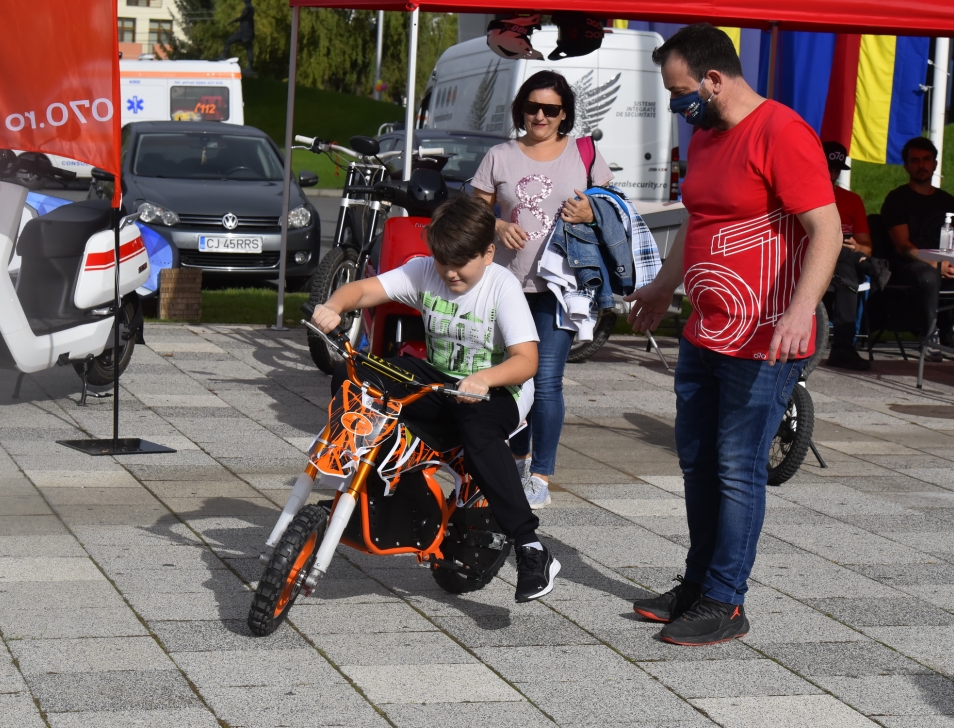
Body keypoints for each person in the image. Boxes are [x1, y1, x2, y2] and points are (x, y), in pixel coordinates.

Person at [625, 24, 842, 646]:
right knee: (697, 461)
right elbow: (699, 218)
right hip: (706, 330)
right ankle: (695, 585)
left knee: (737, 466)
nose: (678, 104)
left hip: (764, 337)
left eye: (682, 91)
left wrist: (802, 310)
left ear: (714, 80)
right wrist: (667, 284)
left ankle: (727, 601)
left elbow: (824, 231)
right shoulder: (707, 135)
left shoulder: (781, 133)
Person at [312, 194, 562, 603]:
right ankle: (364, 471)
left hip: (500, 387)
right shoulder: (426, 270)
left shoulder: (503, 287)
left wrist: (483, 378)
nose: (449, 273)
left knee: (476, 426)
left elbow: (527, 361)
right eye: (442, 261)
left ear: (487, 253)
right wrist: (334, 305)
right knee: (353, 370)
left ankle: (531, 547)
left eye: (460, 264)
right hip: (442, 381)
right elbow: (361, 290)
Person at [471, 70, 614, 510]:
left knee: (547, 380)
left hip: (561, 286)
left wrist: (590, 208)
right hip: (507, 284)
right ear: (521, 109)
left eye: (550, 109)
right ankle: (516, 455)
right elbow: (475, 212)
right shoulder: (500, 155)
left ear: (564, 113)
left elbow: (611, 209)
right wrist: (497, 223)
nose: (540, 115)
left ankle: (539, 474)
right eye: (532, 107)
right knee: (513, 378)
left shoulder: (584, 155)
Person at [880, 137, 954, 352]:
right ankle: (928, 334)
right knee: (928, 276)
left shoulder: (948, 201)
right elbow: (903, 247)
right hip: (909, 266)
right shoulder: (897, 199)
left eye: (926, 159)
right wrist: (938, 265)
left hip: (946, 265)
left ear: (935, 164)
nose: (921, 165)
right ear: (906, 166)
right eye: (915, 160)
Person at [822, 141, 883, 371]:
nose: (832, 174)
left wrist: (856, 247)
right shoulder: (802, 195)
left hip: (839, 268)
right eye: (828, 167)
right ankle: (843, 348)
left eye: (836, 169)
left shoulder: (852, 200)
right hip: (808, 261)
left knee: (847, 266)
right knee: (848, 264)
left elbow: (867, 247)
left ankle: (843, 348)